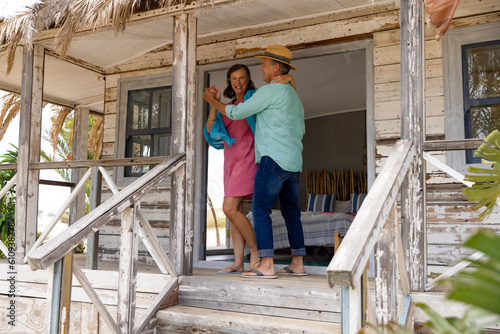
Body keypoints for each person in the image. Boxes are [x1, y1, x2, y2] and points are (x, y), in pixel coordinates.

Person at [203, 45, 306, 278]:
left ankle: (265, 263)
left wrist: (211, 100)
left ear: (275, 67)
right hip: (293, 162)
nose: (261, 68)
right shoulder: (294, 96)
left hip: (271, 159)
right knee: (291, 212)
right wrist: (289, 79)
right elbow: (302, 129)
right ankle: (298, 262)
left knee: (260, 210)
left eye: (264, 64)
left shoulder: (268, 91)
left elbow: (238, 113)